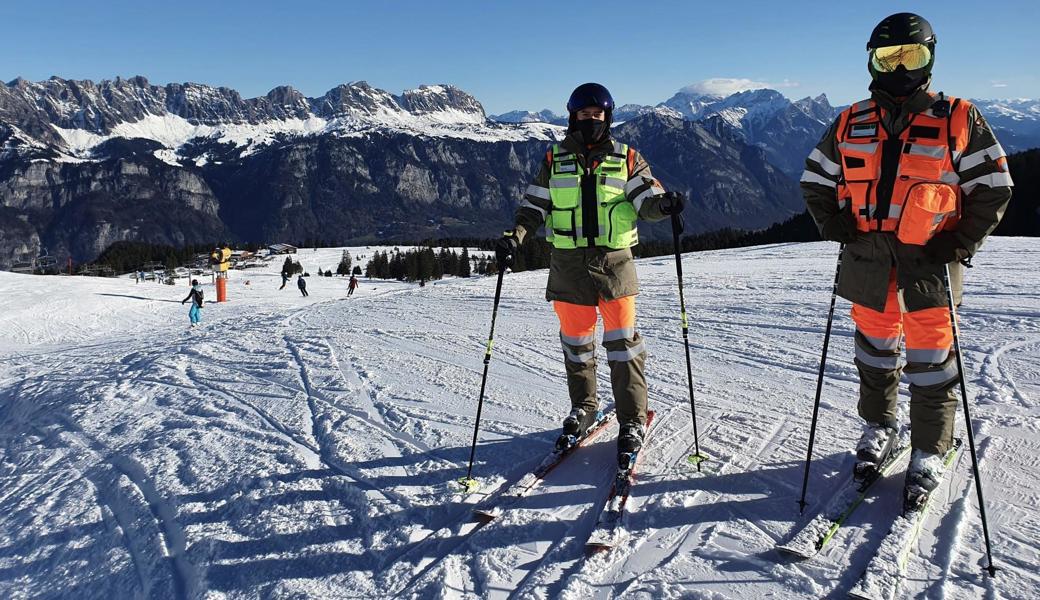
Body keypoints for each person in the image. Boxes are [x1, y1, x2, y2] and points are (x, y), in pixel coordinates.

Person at [801, 13, 1012, 506]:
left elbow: (995, 187)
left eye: (910, 56)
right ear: (871, 62)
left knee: (931, 363)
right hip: (867, 260)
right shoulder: (850, 120)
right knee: (874, 355)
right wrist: (832, 222)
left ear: (930, 59)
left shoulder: (959, 117)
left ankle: (929, 449)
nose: (898, 69)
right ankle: (879, 426)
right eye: (887, 57)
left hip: (929, 263)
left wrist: (960, 242)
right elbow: (815, 179)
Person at [496, 82, 684, 466]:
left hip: (614, 265)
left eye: (598, 116)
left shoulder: (627, 158)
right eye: (584, 115)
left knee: (623, 345)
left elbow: (646, 202)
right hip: (567, 268)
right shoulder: (554, 159)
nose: (591, 122)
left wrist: (664, 205)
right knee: (576, 345)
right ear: (573, 118)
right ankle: (584, 408)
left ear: (607, 118)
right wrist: (514, 237)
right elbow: (533, 206)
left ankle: (631, 419)